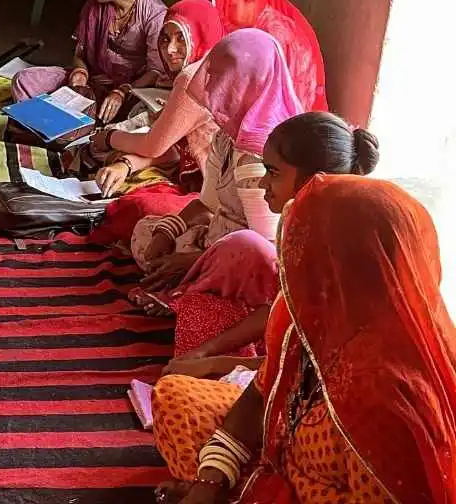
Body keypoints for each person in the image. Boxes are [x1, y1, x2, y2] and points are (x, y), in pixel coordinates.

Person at [151, 175, 456, 504]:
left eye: (301, 254)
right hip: (286, 456)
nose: (289, 266)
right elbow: (257, 396)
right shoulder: (317, 322)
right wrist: (209, 483)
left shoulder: (384, 390)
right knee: (175, 396)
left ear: (345, 268)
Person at [155, 112, 381, 372]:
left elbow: (307, 369)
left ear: (313, 181)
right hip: (301, 365)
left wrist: (213, 365)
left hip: (333, 382)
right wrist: (205, 353)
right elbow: (279, 308)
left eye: (272, 172)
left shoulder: (339, 252)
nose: (263, 182)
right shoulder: (306, 226)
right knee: (200, 312)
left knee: (181, 397)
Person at [128, 29, 303, 359]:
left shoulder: (262, 155)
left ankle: (190, 293)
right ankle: (187, 286)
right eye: (216, 75)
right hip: (214, 242)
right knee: (147, 231)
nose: (214, 87)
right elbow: (207, 204)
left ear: (250, 81)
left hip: (245, 265)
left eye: (226, 78)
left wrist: (191, 261)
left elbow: (263, 249)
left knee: (223, 267)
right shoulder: (228, 136)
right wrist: (169, 233)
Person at [11, 0, 167, 124]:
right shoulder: (94, 6)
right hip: (93, 81)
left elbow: (155, 71)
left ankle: (74, 126)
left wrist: (121, 92)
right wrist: (80, 72)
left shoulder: (154, 14)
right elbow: (80, 54)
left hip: (130, 90)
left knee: (146, 115)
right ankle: (73, 126)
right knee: (23, 80)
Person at [90, 0, 224, 195]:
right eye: (165, 39)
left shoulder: (193, 78)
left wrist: (109, 137)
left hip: (207, 186)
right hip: (194, 169)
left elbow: (155, 146)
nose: (170, 50)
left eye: (181, 38)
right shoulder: (214, 65)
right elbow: (176, 145)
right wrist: (127, 164)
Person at [206, 0, 328, 111]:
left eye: (230, 6)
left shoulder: (274, 35)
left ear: (250, 1)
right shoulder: (258, 24)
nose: (223, 15)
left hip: (289, 118)